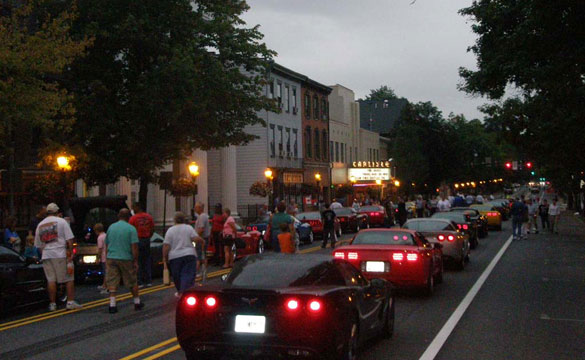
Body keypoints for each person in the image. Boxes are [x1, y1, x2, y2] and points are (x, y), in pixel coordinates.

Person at [34, 203, 82, 311]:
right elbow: (69, 239)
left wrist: (44, 253)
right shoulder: (62, 222)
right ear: (57, 212)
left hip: (47, 254)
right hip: (60, 253)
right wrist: (70, 253)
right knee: (68, 278)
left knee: (51, 280)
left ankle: (52, 304)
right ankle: (70, 302)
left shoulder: (41, 225)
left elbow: (38, 244)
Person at [105, 209, 144, 314]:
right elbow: (134, 246)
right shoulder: (131, 229)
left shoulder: (111, 227)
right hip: (126, 257)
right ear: (129, 217)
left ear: (118, 216)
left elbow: (107, 244)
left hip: (112, 257)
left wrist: (106, 257)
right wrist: (135, 260)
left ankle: (112, 304)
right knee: (132, 280)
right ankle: (137, 302)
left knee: (112, 281)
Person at [163, 212, 201, 297]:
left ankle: (181, 291)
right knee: (188, 274)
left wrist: (164, 258)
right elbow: (195, 238)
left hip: (174, 256)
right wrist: (201, 241)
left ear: (174, 220)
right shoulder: (188, 228)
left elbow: (166, 245)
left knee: (177, 275)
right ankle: (185, 291)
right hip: (189, 254)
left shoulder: (170, 230)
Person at [129, 203, 155, 288]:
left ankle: (139, 281)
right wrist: (148, 236)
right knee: (147, 260)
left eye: (133, 207)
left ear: (137, 207)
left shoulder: (133, 218)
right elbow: (152, 229)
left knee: (137, 260)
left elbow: (130, 230)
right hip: (146, 239)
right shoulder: (149, 217)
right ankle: (148, 280)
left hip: (137, 240)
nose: (132, 209)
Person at [194, 202, 210, 280]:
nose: (195, 209)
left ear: (200, 208)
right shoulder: (203, 216)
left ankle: (197, 273)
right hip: (204, 238)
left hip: (201, 239)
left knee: (198, 256)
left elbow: (201, 229)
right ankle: (203, 272)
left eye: (196, 207)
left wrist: (195, 237)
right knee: (203, 256)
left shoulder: (201, 217)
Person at [95, 223, 108, 294]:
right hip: (108, 256)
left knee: (105, 272)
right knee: (106, 271)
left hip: (103, 257)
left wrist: (98, 258)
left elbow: (100, 249)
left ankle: (106, 287)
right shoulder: (106, 235)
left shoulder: (100, 238)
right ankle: (104, 285)